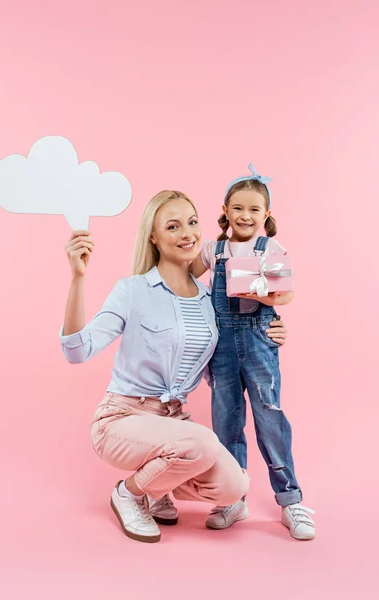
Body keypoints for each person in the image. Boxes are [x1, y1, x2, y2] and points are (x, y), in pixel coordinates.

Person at [60, 190, 255, 544]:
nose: (188, 233)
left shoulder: (209, 300)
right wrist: (77, 278)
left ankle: (158, 487)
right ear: (154, 236)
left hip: (173, 423)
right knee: (201, 443)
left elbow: (221, 366)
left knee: (235, 486)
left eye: (193, 222)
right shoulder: (133, 290)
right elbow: (78, 351)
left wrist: (271, 334)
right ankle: (131, 493)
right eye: (173, 225)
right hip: (122, 418)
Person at [188, 164, 315, 541]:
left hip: (259, 340)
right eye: (238, 208)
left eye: (254, 210)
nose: (245, 216)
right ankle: (233, 497)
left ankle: (290, 499)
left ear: (266, 215)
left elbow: (285, 294)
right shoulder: (214, 249)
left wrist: (258, 296)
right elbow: (186, 278)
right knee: (226, 422)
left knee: (270, 418)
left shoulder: (271, 248)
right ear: (225, 210)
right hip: (222, 347)